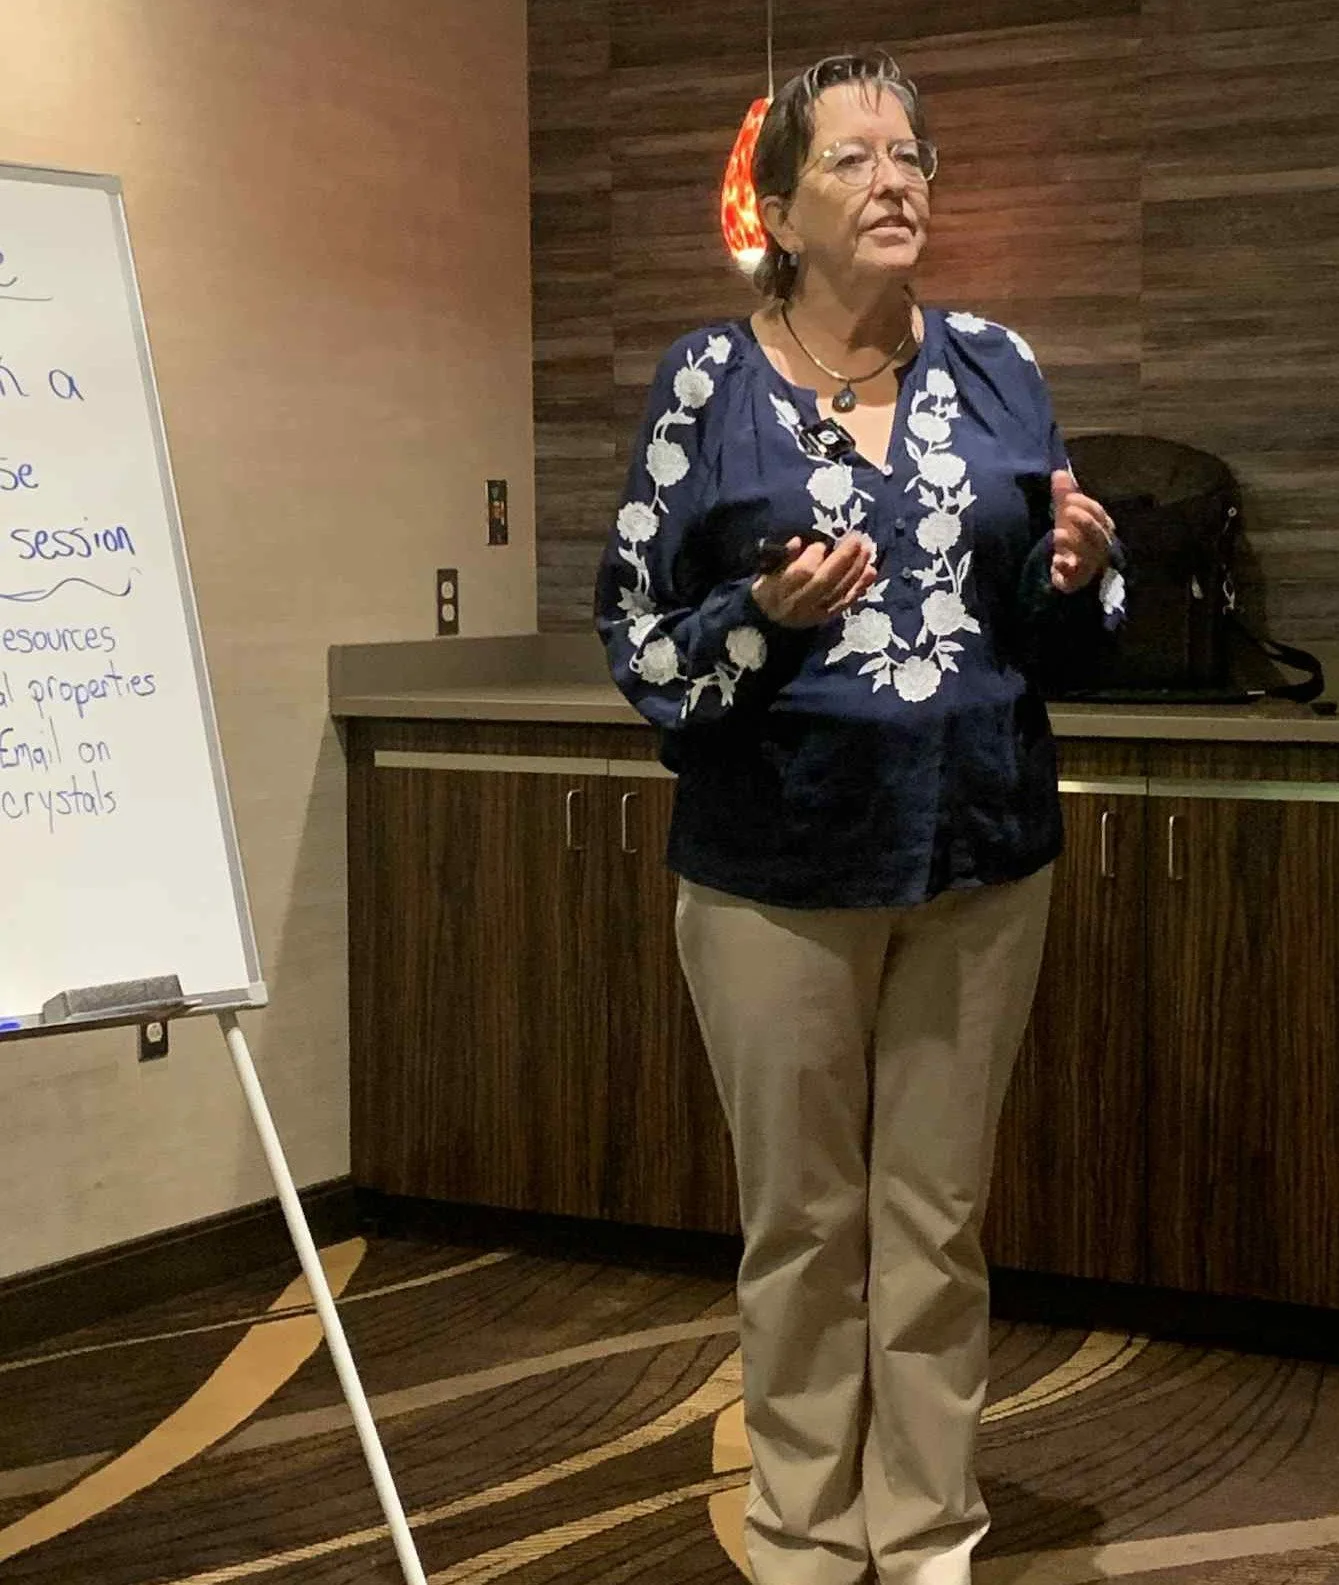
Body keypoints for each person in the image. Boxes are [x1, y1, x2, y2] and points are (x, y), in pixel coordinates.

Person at [594, 49, 1124, 1585]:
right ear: (778, 209)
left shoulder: (997, 363)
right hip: (776, 868)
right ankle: (805, 1541)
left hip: (977, 852)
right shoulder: (707, 381)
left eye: (912, 158)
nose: (895, 182)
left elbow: (1046, 623)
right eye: (853, 161)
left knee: (935, 1223)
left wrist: (1075, 573)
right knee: (805, 1229)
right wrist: (757, 615)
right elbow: (635, 630)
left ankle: (930, 1531)